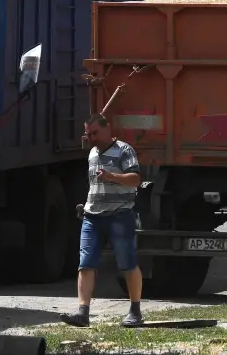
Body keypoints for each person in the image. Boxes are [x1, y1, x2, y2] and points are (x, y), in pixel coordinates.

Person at [59, 113, 144, 327]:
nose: (93, 138)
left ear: (108, 129)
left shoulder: (124, 151)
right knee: (85, 264)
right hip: (92, 217)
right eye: (89, 134)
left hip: (120, 215)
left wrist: (112, 176)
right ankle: (82, 313)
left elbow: (135, 179)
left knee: (127, 264)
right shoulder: (92, 153)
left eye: (95, 133)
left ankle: (135, 311)